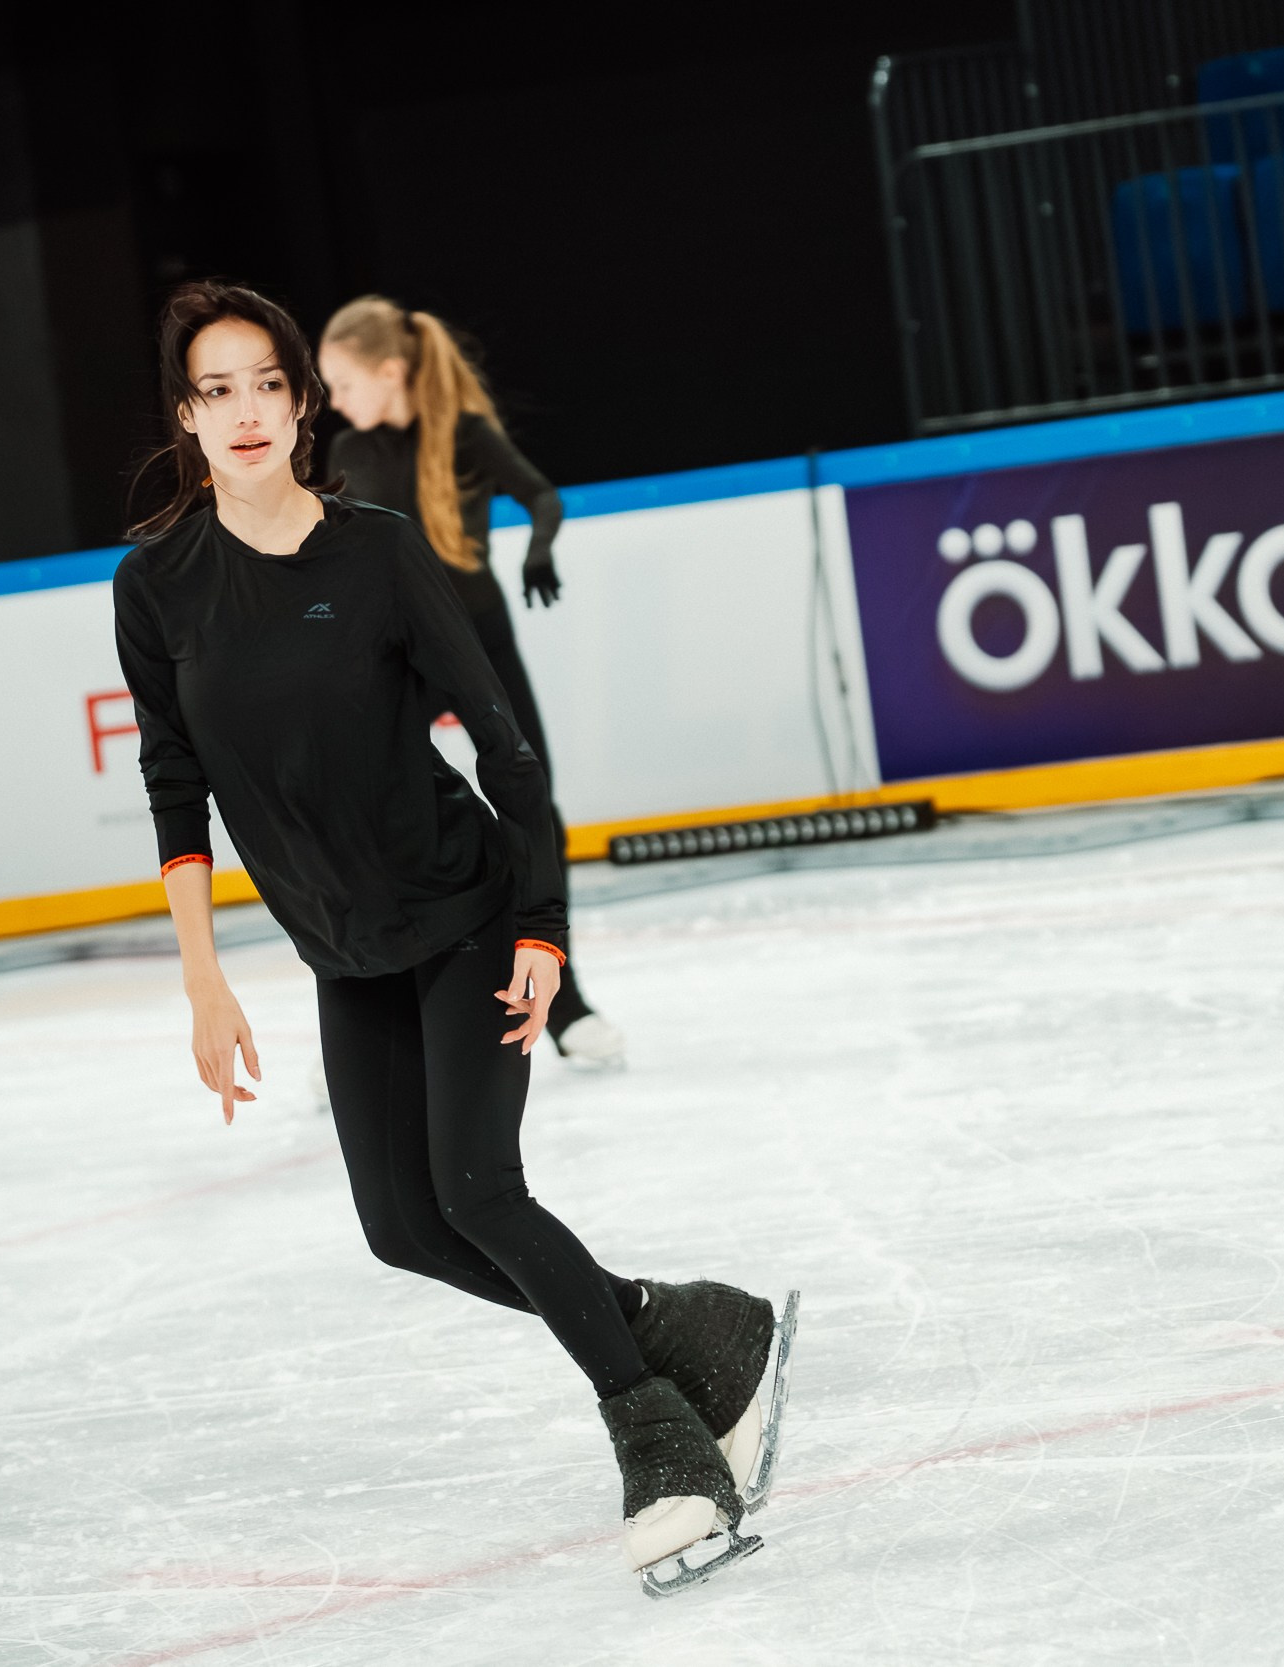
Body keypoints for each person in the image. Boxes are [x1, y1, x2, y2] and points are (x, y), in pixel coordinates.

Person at [111, 279, 794, 1595]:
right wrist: (201, 979)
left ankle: (659, 1438)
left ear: (304, 404)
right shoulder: (156, 587)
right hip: (342, 946)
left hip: (467, 908)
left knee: (476, 1185)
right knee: (402, 1226)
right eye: (217, 389)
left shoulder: (373, 552)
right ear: (186, 414)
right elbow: (171, 785)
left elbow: (504, 743)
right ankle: (679, 1327)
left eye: (268, 382)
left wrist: (543, 924)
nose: (246, 410)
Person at [316, 296, 626, 1072]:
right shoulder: (351, 449)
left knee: (533, 811)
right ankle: (379, 1011)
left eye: (343, 383)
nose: (335, 403)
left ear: (390, 372)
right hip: (401, 658)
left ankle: (565, 999)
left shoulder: (463, 433)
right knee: (366, 812)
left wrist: (539, 549)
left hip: (481, 646)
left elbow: (543, 496)